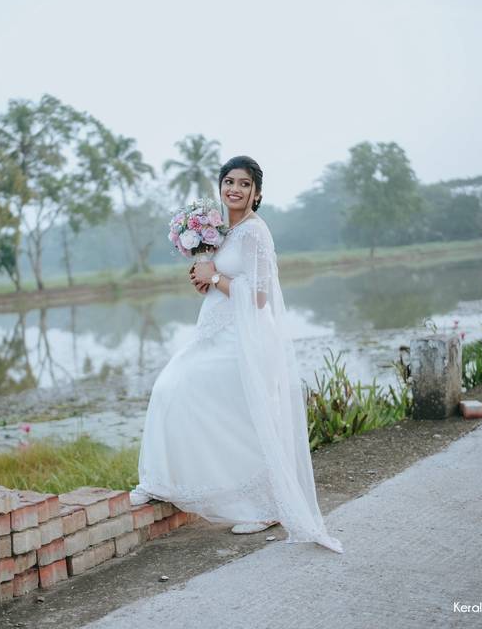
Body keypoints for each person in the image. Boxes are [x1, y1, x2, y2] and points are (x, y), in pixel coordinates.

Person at [128, 156, 343, 552]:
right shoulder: (224, 230)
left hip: (242, 337)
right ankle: (165, 482)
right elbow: (224, 279)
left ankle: (261, 506)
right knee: (175, 390)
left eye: (244, 184)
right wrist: (205, 279)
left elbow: (259, 297)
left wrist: (217, 278)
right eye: (229, 181)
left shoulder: (256, 232)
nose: (235, 189)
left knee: (214, 404)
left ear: (256, 192)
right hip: (215, 330)